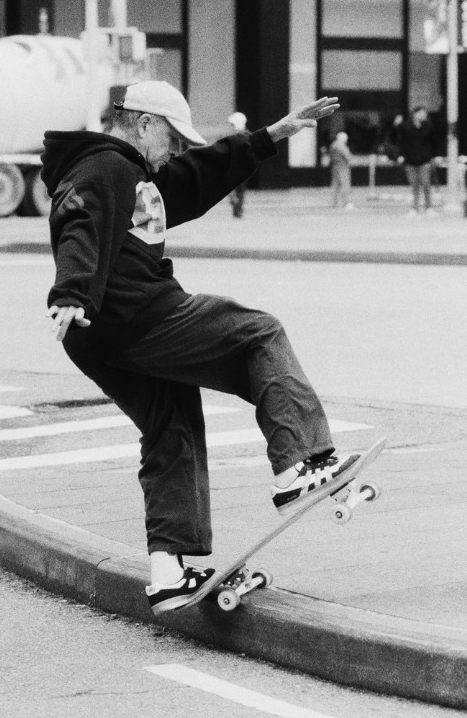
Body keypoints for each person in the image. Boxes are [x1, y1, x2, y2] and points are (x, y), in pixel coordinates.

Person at [42, 80, 360, 615]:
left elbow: (197, 175)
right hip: (133, 314)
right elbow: (81, 221)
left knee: (172, 421)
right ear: (144, 123)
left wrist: (270, 136)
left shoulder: (137, 173)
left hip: (98, 333)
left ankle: (169, 573)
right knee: (257, 333)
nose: (176, 151)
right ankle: (298, 466)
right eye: (172, 139)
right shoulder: (104, 166)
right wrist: (71, 289)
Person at [397, 106, 437, 217]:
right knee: (414, 185)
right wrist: (401, 155)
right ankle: (415, 208)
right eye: (421, 113)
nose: (424, 115)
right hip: (410, 159)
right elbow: (401, 142)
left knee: (426, 184)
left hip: (424, 159)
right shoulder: (405, 126)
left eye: (425, 114)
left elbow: (433, 142)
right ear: (415, 114)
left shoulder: (429, 126)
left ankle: (429, 207)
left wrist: (433, 156)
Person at [227, 111, 248, 218]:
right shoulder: (244, 135)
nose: (231, 127)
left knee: (238, 190)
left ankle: (237, 209)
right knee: (238, 190)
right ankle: (237, 209)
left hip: (239, 166)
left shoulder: (241, 136)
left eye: (232, 124)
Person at [329, 131, 352, 209]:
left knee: (336, 186)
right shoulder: (341, 146)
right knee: (345, 185)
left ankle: (334, 204)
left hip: (335, 166)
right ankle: (346, 203)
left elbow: (330, 156)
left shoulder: (333, 145)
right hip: (343, 167)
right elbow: (347, 156)